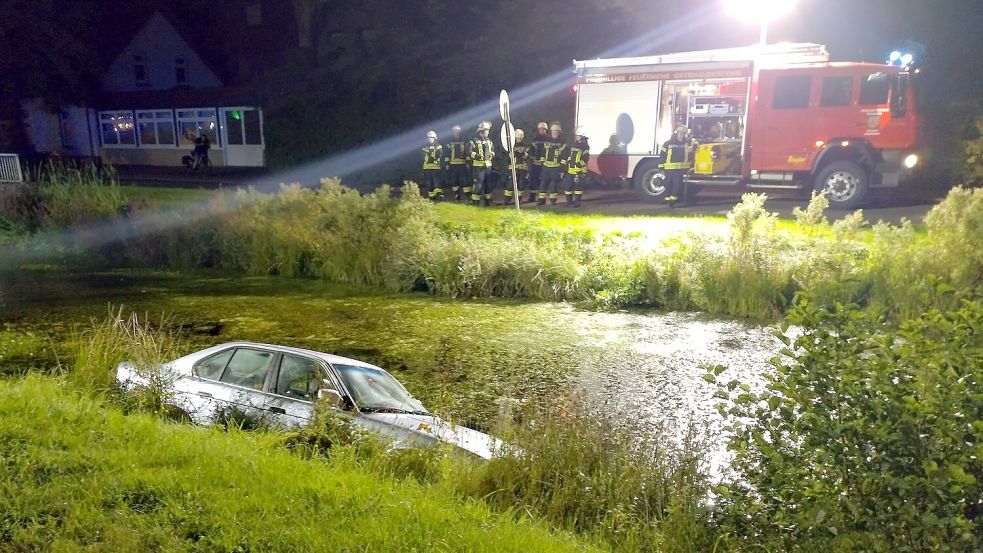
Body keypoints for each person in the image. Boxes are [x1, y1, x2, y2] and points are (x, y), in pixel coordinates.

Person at [659, 125, 698, 208]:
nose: (681, 134)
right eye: (680, 133)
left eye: (683, 133)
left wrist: (694, 145)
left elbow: (696, 144)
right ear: (676, 133)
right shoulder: (668, 143)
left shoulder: (687, 142)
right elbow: (662, 155)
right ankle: (668, 200)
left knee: (677, 185)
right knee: (668, 184)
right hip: (669, 168)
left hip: (680, 168)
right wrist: (661, 166)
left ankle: (672, 202)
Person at [537, 122, 566, 206]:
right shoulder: (547, 140)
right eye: (553, 131)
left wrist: (562, 167)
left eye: (556, 131)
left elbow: (564, 155)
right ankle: (541, 200)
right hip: (546, 166)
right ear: (551, 132)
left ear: (559, 132)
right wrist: (542, 163)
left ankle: (553, 200)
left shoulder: (562, 142)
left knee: (553, 184)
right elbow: (543, 152)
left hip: (556, 167)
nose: (554, 133)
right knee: (543, 183)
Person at [467, 121, 495, 206]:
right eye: (486, 130)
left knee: (488, 184)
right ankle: (475, 202)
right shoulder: (474, 141)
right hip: (478, 167)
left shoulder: (489, 142)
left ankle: (488, 201)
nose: (487, 132)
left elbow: (493, 151)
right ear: (481, 131)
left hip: (488, 166)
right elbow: (469, 152)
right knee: (478, 185)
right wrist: (477, 155)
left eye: (488, 130)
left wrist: (492, 154)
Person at [501, 128, 531, 205]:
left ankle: (518, 200)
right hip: (513, 168)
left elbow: (527, 156)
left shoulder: (526, 146)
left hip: (522, 168)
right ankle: (506, 200)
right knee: (510, 185)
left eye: (520, 137)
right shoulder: (510, 146)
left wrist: (522, 153)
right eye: (517, 137)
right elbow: (507, 157)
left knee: (521, 185)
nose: (518, 139)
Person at [562, 126, 589, 208]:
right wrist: (565, 166)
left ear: (582, 136)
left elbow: (585, 158)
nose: (576, 137)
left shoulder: (585, 146)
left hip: (579, 170)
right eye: (576, 135)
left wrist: (579, 165)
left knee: (578, 187)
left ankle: (577, 202)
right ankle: (569, 201)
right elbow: (569, 156)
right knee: (568, 186)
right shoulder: (573, 144)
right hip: (570, 170)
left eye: (578, 135)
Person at [445, 125, 469, 201]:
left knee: (465, 180)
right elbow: (447, 153)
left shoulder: (464, 140)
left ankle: (467, 197)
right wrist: (447, 164)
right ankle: (457, 196)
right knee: (454, 181)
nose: (456, 132)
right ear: (453, 132)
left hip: (463, 164)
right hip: (453, 165)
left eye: (457, 131)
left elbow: (467, 152)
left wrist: (468, 162)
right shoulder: (449, 141)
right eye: (455, 131)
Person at [529, 122, 549, 203]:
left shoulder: (549, 139)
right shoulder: (535, 139)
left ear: (546, 130)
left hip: (545, 163)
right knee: (534, 180)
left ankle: (542, 198)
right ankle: (532, 197)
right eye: (540, 129)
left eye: (543, 129)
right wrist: (533, 159)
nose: (542, 130)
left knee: (543, 180)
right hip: (536, 163)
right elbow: (531, 151)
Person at [422, 130, 444, 201]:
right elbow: (422, 157)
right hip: (426, 168)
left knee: (436, 182)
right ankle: (432, 198)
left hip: (435, 168)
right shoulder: (425, 147)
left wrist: (432, 156)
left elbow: (439, 155)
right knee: (429, 184)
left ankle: (439, 196)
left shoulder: (438, 146)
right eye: (428, 138)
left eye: (431, 138)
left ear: (434, 138)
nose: (429, 139)